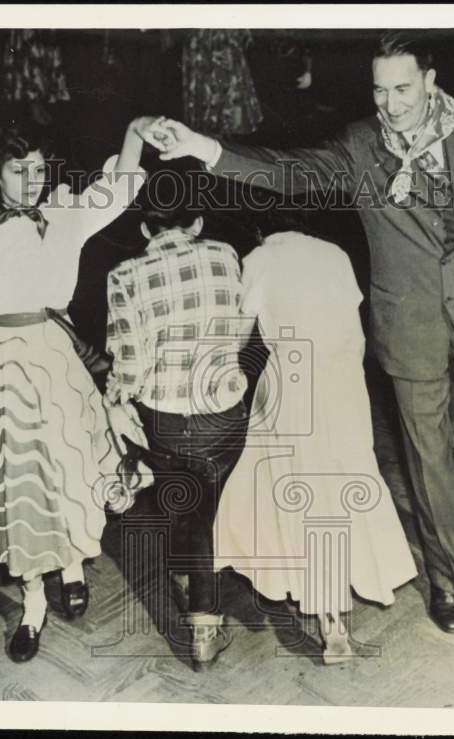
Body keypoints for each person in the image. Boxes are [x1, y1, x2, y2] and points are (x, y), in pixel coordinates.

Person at [144, 32, 454, 633]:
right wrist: (202, 145)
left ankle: (435, 507)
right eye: (381, 90)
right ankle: (445, 577)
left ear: (430, 82)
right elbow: (289, 171)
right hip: (407, 329)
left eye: (404, 88)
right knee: (429, 456)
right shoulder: (361, 145)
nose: (392, 103)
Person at [0, 119, 154, 664]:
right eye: (19, 170)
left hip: (58, 359)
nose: (32, 180)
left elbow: (120, 188)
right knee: (20, 484)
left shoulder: (63, 214)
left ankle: (72, 565)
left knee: (65, 467)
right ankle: (33, 601)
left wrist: (131, 132)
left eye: (38, 168)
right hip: (2, 368)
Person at [213, 211, 418, 664]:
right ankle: (331, 611)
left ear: (258, 223)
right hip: (344, 383)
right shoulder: (335, 254)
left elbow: (239, 337)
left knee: (293, 492)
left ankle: (325, 618)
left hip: (291, 383)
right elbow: (354, 331)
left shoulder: (259, 259)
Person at [104, 198, 253, 671]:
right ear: (198, 222)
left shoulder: (124, 274)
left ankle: (201, 613)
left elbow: (130, 364)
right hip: (225, 413)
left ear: (146, 229)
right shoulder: (225, 254)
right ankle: (205, 616)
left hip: (168, 423)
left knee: (191, 508)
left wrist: (114, 399)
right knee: (206, 507)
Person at [182, 30, 264, 137]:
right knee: (209, 94)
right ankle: (214, 135)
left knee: (227, 92)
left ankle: (223, 137)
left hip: (223, 43)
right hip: (204, 45)